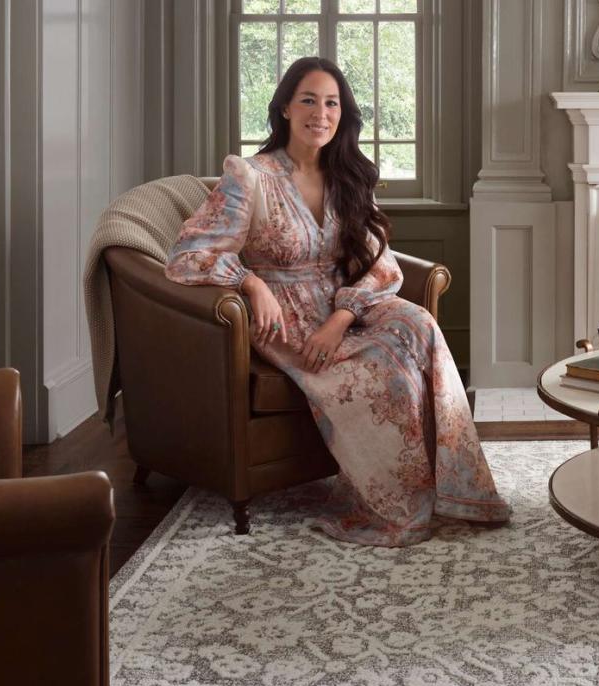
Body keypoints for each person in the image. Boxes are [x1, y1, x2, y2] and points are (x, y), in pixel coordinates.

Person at [165, 57, 510, 546]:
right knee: (387, 371)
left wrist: (344, 316)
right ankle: (399, 505)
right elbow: (187, 254)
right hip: (287, 319)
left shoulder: (348, 175)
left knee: (422, 327)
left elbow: (382, 265)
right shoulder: (249, 176)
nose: (320, 113)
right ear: (285, 106)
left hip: (347, 306)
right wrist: (249, 282)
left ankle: (458, 491)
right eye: (308, 100)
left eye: (332, 103)